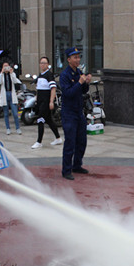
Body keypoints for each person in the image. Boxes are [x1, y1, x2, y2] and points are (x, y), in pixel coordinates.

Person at [59, 47, 91, 180]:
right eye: (75, 57)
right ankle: (66, 170)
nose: (78, 60)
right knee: (70, 142)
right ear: (69, 59)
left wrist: (86, 83)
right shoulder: (64, 75)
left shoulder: (79, 72)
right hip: (69, 113)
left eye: (78, 57)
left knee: (82, 141)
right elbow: (68, 93)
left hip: (79, 111)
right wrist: (79, 83)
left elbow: (83, 91)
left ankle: (77, 165)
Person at [31, 56, 62, 149]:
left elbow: (53, 88)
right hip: (40, 101)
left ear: (48, 64)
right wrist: (36, 100)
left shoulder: (49, 75)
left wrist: (51, 101)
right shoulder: (40, 75)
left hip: (46, 101)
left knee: (40, 120)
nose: (42, 65)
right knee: (49, 120)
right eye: (41, 63)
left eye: (44, 63)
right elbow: (38, 90)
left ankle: (39, 141)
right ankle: (58, 138)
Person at [0, 61, 22, 135]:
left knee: (15, 113)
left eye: (7, 66)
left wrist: (11, 73)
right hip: (5, 95)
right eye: (4, 66)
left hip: (11, 94)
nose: (6, 68)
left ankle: (17, 128)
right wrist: (2, 73)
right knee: (6, 114)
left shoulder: (12, 74)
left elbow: (15, 81)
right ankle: (8, 128)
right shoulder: (1, 75)